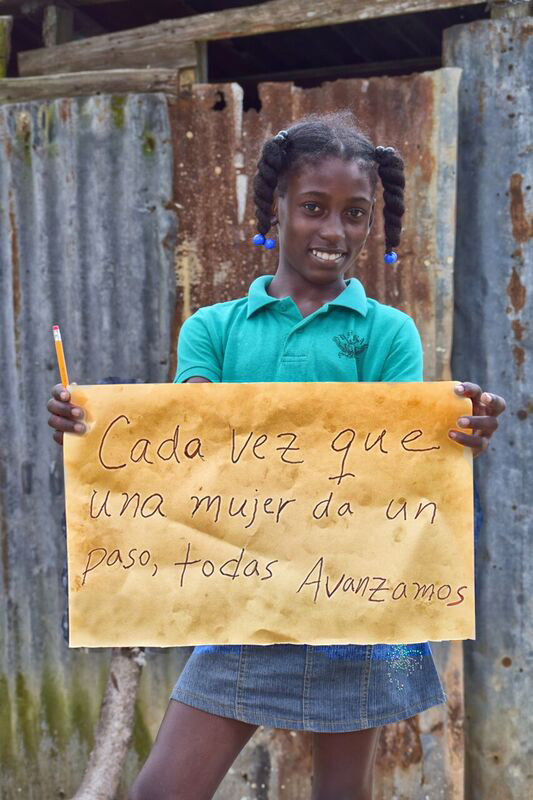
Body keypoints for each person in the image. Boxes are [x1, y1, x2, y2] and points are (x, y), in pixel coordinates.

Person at [47, 111, 506, 800]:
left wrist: (451, 433)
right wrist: (100, 431)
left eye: (353, 215)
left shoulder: (387, 334)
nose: (333, 232)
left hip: (354, 600)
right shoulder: (213, 329)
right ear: (275, 209)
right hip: (243, 598)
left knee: (339, 793)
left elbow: (393, 464)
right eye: (313, 208)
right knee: (161, 791)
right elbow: (184, 443)